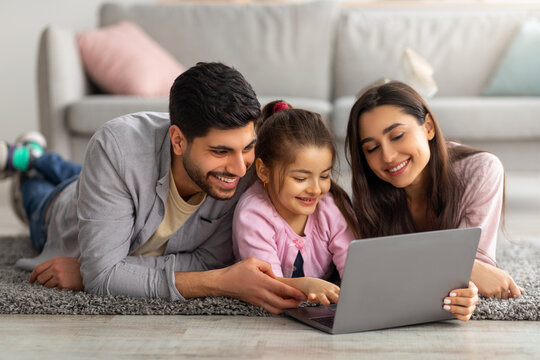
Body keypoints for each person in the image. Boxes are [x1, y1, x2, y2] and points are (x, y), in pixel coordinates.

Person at [1, 62, 307, 314]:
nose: (241, 169)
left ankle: (34, 155)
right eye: (220, 152)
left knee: (82, 173)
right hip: (64, 208)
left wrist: (110, 271)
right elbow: (104, 277)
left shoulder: (243, 168)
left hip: (111, 186)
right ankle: (27, 161)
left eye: (247, 148)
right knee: (38, 197)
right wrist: (220, 281)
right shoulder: (116, 147)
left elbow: (206, 260)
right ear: (178, 140)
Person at [345, 81, 523, 313]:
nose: (387, 156)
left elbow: (477, 270)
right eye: (371, 148)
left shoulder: (481, 170)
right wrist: (466, 269)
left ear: (428, 126)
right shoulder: (370, 189)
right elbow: (369, 268)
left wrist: (466, 274)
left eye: (397, 135)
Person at [233, 101, 358, 306]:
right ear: (264, 171)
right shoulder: (253, 213)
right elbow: (267, 284)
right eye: (301, 179)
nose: (316, 189)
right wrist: (307, 285)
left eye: (325, 176)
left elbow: (354, 269)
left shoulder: (330, 206)